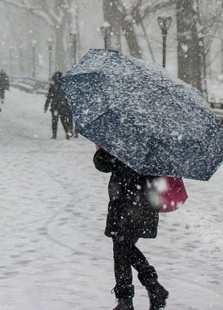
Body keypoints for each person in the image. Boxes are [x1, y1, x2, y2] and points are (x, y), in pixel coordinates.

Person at [93, 147, 168, 310]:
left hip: (126, 202)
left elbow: (103, 163)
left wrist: (100, 151)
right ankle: (152, 289)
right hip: (146, 200)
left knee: (121, 248)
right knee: (124, 248)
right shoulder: (154, 141)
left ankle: (127, 300)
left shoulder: (122, 137)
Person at [44, 71, 75, 139]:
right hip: (62, 105)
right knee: (63, 120)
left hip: (55, 106)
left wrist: (46, 105)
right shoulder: (64, 85)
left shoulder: (53, 85)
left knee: (55, 121)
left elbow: (49, 96)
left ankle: (54, 135)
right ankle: (67, 132)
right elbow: (68, 96)